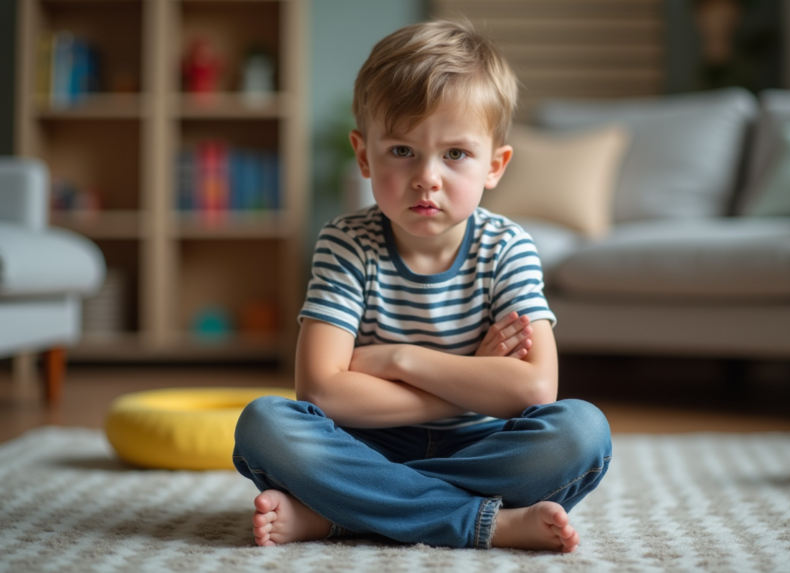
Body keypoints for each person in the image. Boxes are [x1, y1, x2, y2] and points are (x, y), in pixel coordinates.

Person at [232, 19, 612, 553]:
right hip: (365, 449)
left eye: (455, 154)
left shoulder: (508, 247)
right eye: (402, 151)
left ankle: (344, 513)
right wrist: (471, 379)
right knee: (264, 425)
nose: (427, 177)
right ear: (364, 155)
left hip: (479, 449)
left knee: (583, 431)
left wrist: (396, 360)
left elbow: (532, 390)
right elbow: (320, 391)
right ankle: (483, 522)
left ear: (494, 166)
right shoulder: (346, 243)